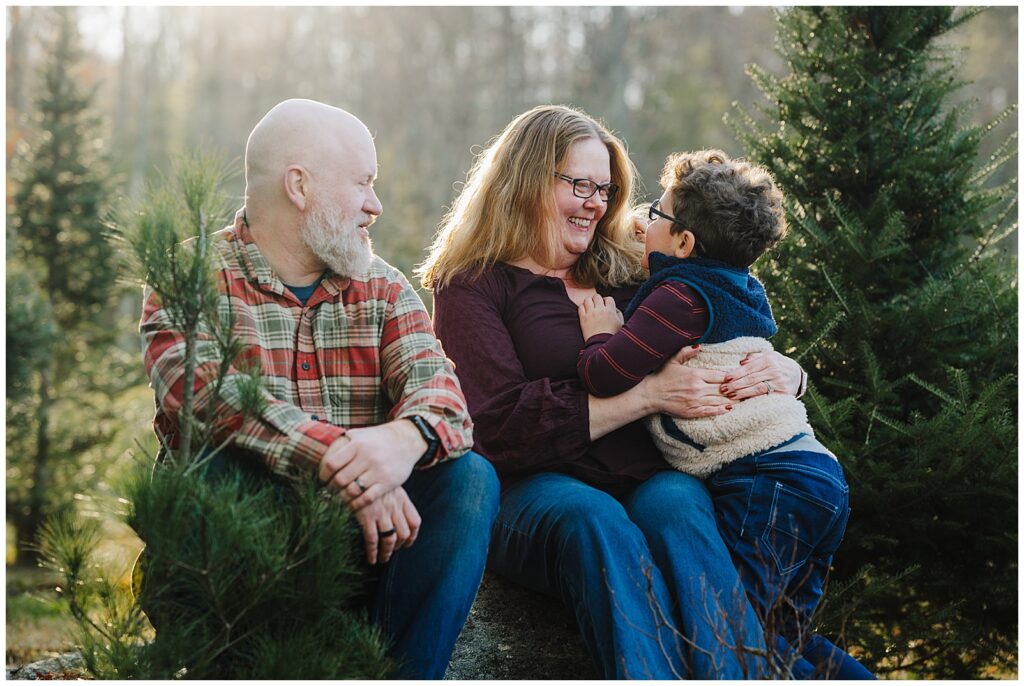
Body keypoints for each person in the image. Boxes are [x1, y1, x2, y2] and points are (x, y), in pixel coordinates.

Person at [417, 105, 806, 679]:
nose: (596, 203)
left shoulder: (631, 266)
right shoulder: (473, 284)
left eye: (605, 187)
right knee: (594, 518)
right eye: (579, 184)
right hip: (535, 490)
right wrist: (646, 397)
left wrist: (787, 370)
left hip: (646, 475)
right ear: (525, 181)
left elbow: (728, 306)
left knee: (678, 504)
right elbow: (496, 425)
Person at [140, 98, 499, 679]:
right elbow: (207, 395)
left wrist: (402, 444)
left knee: (469, 478)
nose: (375, 205)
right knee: (208, 469)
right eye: (363, 183)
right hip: (240, 564)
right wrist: (345, 460)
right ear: (299, 186)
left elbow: (443, 397)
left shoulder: (383, 288)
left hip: (370, 554)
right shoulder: (191, 279)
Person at [575, 149, 874, 679]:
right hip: (815, 476)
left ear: (685, 243)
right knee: (782, 637)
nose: (645, 223)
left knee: (733, 635)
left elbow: (604, 375)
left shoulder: (677, 297)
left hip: (766, 482)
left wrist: (600, 333)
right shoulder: (741, 287)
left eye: (657, 216)